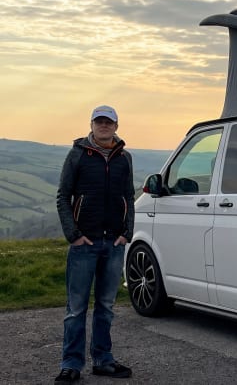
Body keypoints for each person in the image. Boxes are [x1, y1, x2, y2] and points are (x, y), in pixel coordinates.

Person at [54, 105, 134, 383]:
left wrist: (127, 232)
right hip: (83, 243)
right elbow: (63, 196)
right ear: (91, 124)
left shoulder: (125, 158)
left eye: (108, 122)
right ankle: (71, 364)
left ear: (116, 126)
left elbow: (129, 197)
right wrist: (73, 234)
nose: (104, 126)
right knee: (76, 308)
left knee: (106, 306)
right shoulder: (77, 155)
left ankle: (103, 360)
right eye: (99, 121)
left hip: (113, 243)